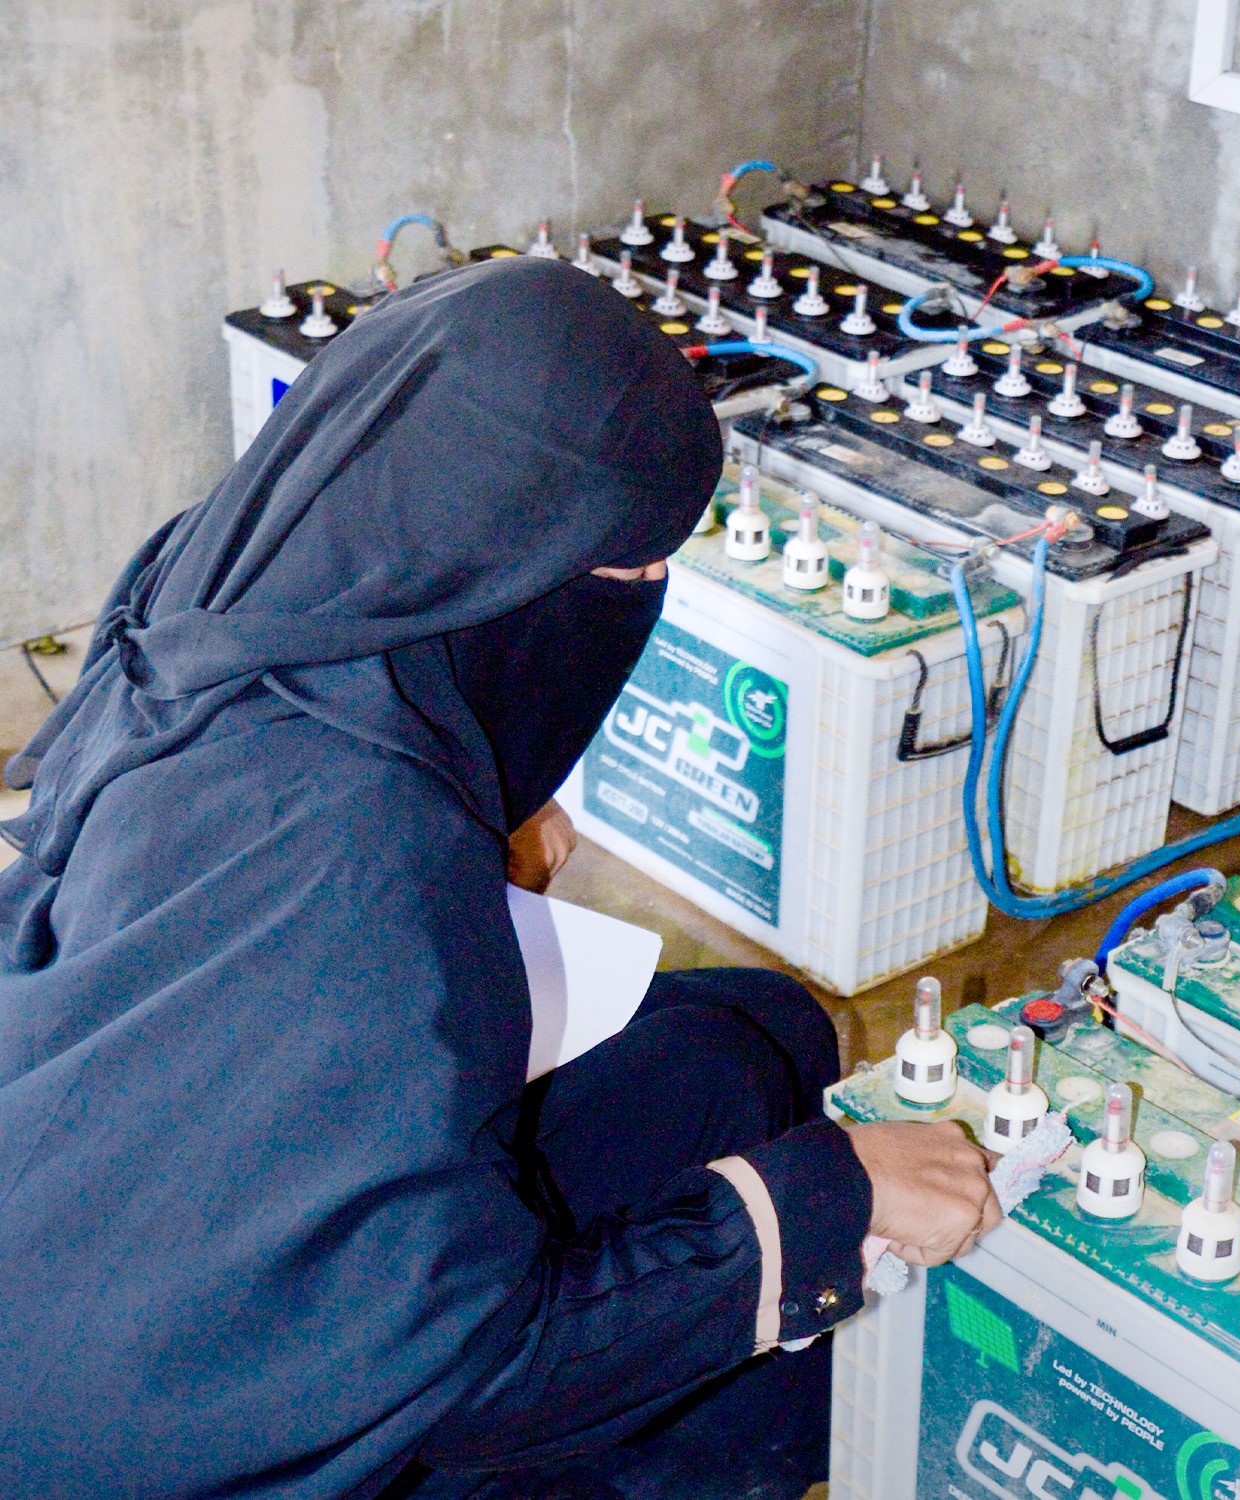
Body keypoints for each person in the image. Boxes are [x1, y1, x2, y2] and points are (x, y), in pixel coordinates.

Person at [0, 255, 1000, 1498]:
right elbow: (463, 1364)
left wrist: (480, 836)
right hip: (188, 1428)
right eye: (627, 576)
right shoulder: (362, 853)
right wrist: (819, 1210)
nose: (642, 601)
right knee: (811, 1381)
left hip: (95, 1207)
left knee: (752, 1038)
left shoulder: (213, 597)